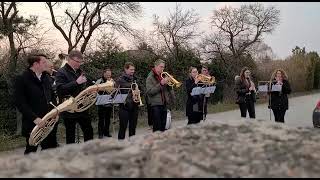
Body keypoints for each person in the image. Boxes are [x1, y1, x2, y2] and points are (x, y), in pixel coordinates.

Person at [14, 54, 59, 154]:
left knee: (50, 151)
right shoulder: (21, 79)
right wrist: (35, 118)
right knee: (31, 151)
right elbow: (20, 103)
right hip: (32, 123)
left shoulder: (46, 77)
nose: (47, 64)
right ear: (35, 64)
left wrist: (55, 112)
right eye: (44, 62)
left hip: (49, 122)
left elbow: (51, 97)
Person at [55, 50, 94, 144]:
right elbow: (60, 90)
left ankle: (89, 152)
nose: (79, 64)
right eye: (77, 61)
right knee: (70, 135)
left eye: (80, 62)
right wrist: (76, 82)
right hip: (69, 109)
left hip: (82, 107)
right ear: (69, 59)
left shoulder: (80, 71)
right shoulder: (61, 72)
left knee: (89, 131)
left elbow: (84, 87)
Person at [146, 59, 175, 132]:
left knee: (163, 127)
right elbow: (150, 92)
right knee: (157, 128)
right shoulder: (150, 77)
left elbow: (168, 89)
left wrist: (169, 82)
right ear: (155, 66)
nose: (162, 69)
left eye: (163, 67)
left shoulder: (163, 76)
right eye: (161, 67)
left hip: (164, 103)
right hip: (155, 105)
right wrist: (161, 84)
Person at [115, 62, 139, 140]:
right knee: (123, 127)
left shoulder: (135, 79)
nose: (133, 71)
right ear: (125, 69)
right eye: (131, 69)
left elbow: (140, 89)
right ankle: (120, 145)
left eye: (133, 70)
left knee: (133, 128)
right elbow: (114, 94)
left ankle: (132, 145)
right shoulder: (119, 80)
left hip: (134, 106)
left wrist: (139, 92)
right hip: (124, 107)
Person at [95, 67, 114, 138]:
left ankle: (106, 132)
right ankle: (100, 133)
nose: (109, 76)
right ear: (104, 74)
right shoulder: (99, 81)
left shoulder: (112, 81)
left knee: (108, 119)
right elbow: (95, 90)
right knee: (101, 119)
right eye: (107, 74)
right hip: (101, 102)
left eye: (110, 74)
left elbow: (114, 90)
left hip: (109, 101)